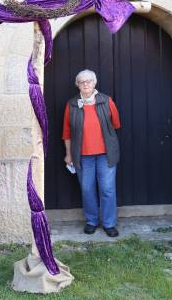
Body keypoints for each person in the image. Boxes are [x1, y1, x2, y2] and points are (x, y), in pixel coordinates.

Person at [62, 69, 121, 237]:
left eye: (89, 81)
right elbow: (66, 132)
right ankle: (91, 221)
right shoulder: (72, 104)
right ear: (77, 85)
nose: (86, 84)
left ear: (94, 83)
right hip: (82, 155)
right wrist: (68, 154)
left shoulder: (106, 101)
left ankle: (109, 223)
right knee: (87, 189)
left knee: (107, 189)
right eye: (82, 82)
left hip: (106, 154)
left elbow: (116, 124)